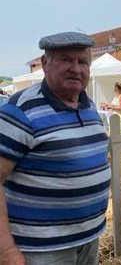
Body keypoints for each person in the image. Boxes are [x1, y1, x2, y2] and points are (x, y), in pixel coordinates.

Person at [0, 32, 111, 265]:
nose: (76, 68)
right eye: (65, 59)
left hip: (89, 239)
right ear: (44, 64)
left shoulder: (88, 105)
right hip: (42, 250)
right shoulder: (20, 110)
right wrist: (6, 251)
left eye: (82, 62)